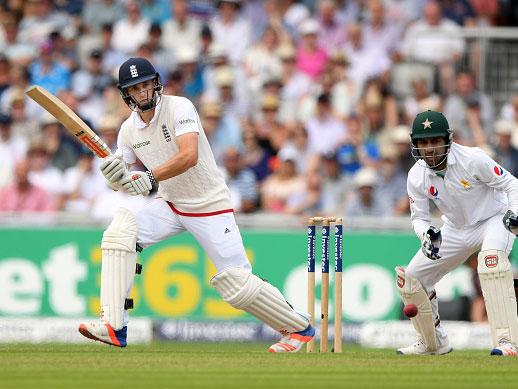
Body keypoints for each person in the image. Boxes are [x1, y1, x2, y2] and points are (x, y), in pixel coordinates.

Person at [78, 57, 314, 352]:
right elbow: (124, 180)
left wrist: (149, 177)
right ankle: (114, 326)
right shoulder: (127, 131)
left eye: (145, 84)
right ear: (126, 94)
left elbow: (188, 156)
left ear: (155, 83)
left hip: (209, 204)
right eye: (134, 88)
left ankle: (298, 327)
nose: (142, 92)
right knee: (120, 233)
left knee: (236, 284)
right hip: (171, 204)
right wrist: (114, 177)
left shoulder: (180, 107)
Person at [397, 110, 518, 356]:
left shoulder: (472, 158)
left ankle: (508, 342)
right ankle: (433, 343)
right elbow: (418, 218)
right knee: (412, 279)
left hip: (492, 219)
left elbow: (511, 184)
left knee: (491, 264)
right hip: (454, 228)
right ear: (415, 144)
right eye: (423, 142)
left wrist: (514, 213)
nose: (429, 148)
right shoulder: (416, 175)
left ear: (447, 140)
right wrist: (426, 234)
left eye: (434, 141)